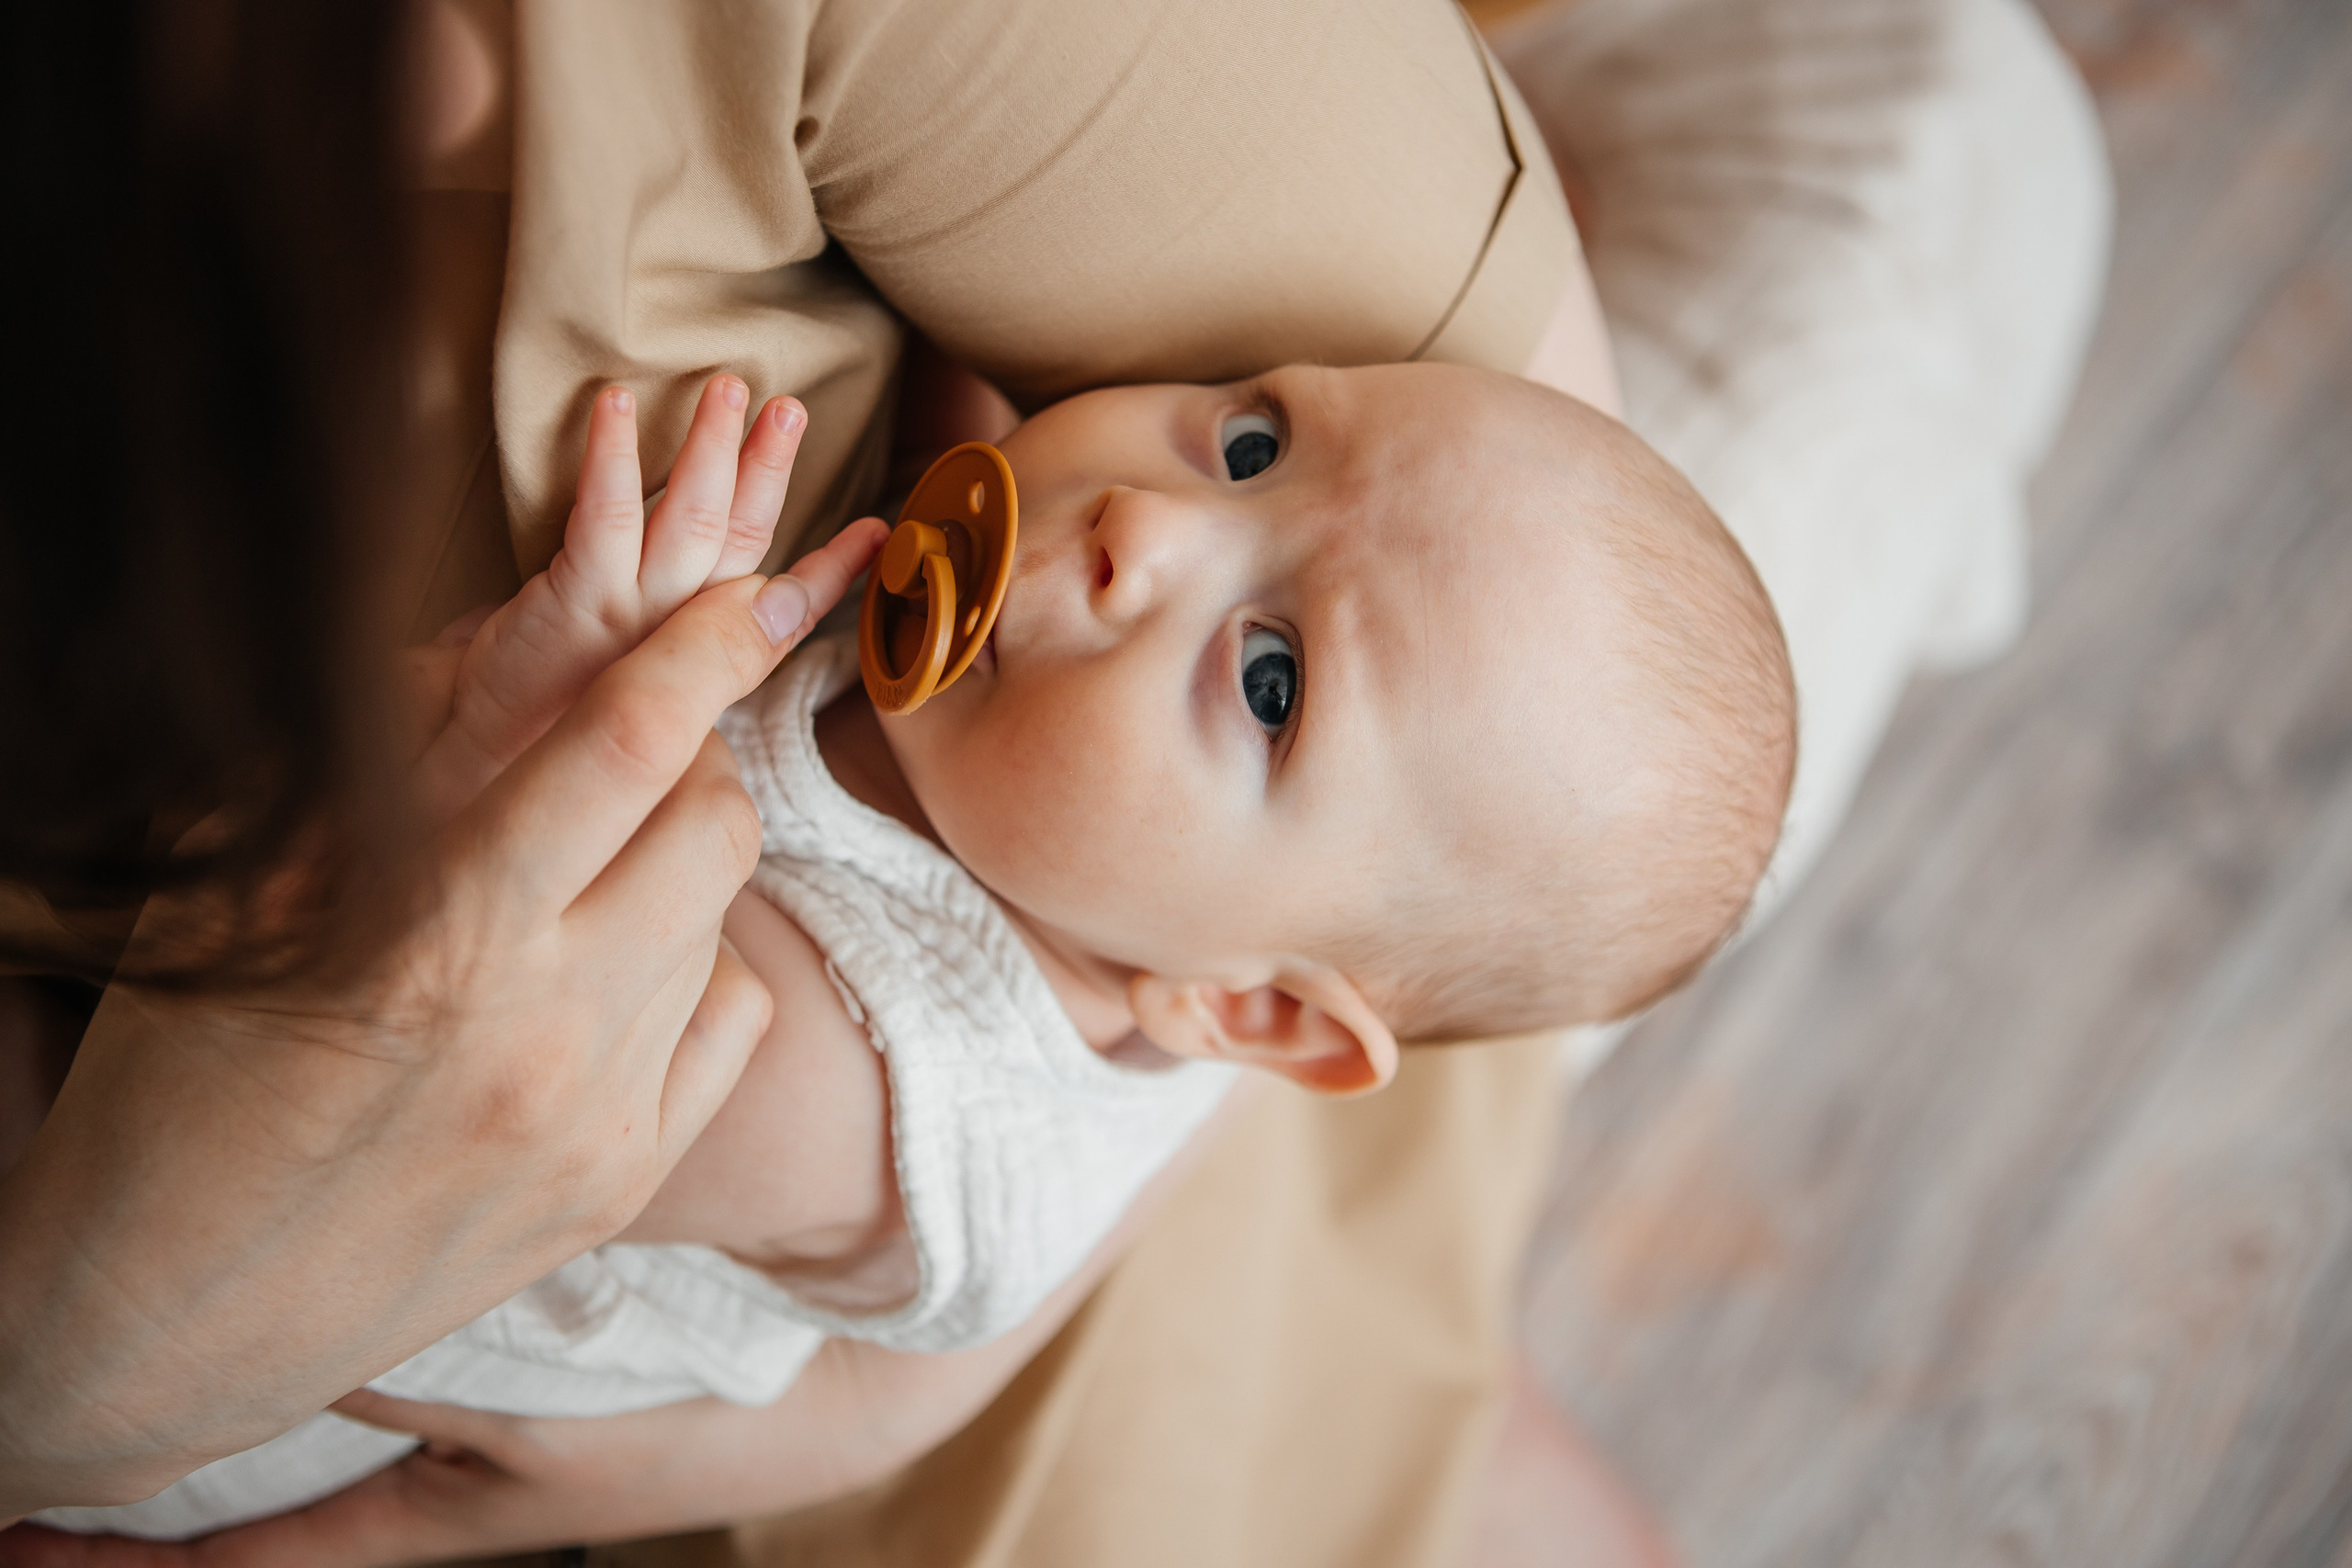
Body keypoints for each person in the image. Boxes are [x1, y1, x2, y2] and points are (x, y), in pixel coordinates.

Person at [3, 0, 1648, 1563]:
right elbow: (983, 444)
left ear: (1252, 1013)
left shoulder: (847, 1088)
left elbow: (503, 1010)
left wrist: (625, 653)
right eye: (1250, 445)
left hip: (231, 1336)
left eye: (1273, 681)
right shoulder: (1146, 865)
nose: (1153, 522)